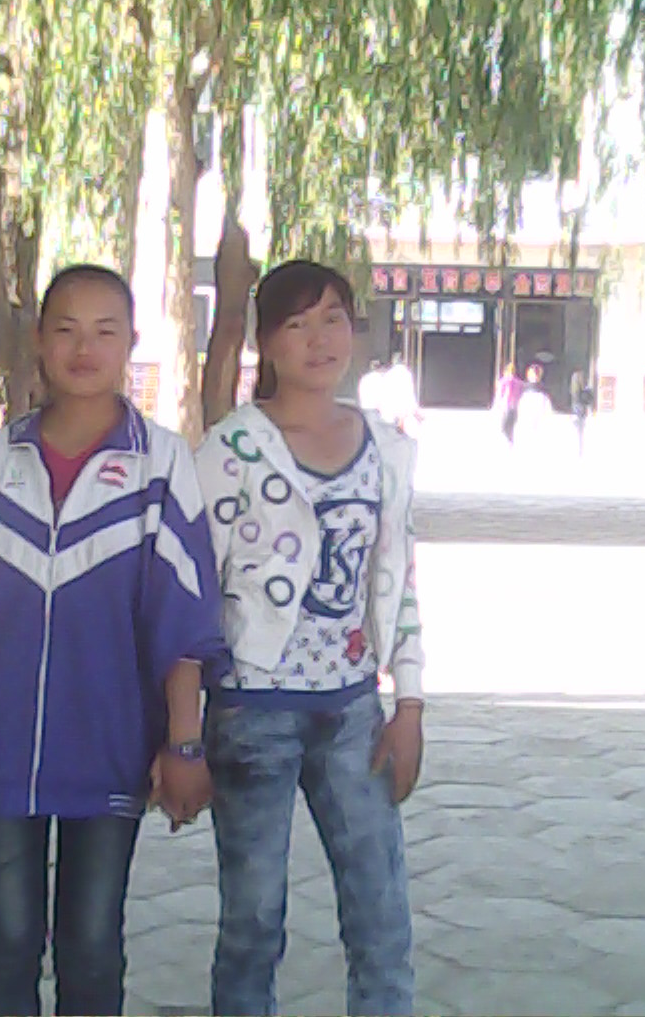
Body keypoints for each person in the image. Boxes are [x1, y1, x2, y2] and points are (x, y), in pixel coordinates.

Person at [0, 264, 228, 1017]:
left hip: (108, 745)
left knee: (90, 943)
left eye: (105, 331)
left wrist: (183, 743)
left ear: (131, 343)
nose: (85, 348)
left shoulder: (159, 464)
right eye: (66, 330)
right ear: (41, 343)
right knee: (7, 939)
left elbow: (183, 615)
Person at [196, 259, 424, 1017]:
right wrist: (179, 734)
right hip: (252, 713)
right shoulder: (232, 450)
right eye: (297, 324)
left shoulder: (385, 447)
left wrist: (410, 703)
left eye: (333, 319)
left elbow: (398, 578)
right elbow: (191, 590)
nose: (319, 339)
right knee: (253, 924)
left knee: (381, 915)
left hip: (353, 712)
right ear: (267, 341)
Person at [514, 362, 553, 452]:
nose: (534, 377)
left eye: (535, 374)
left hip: (532, 420)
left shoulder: (524, 391)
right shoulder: (542, 392)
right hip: (532, 420)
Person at [382, 351, 423, 434]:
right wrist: (415, 411)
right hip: (403, 407)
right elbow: (409, 392)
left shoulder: (387, 374)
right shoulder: (406, 373)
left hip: (390, 408)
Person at [494, 362, 524, 444]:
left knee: (505, 426)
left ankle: (508, 440)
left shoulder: (503, 381)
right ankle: (510, 439)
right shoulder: (519, 383)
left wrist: (498, 404)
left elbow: (499, 395)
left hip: (507, 406)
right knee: (510, 425)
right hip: (513, 406)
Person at [570, 368, 594, 457]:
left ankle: (579, 451)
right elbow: (588, 399)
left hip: (578, 415)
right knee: (580, 434)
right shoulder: (582, 392)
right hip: (581, 414)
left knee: (579, 435)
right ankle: (580, 451)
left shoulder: (575, 393)